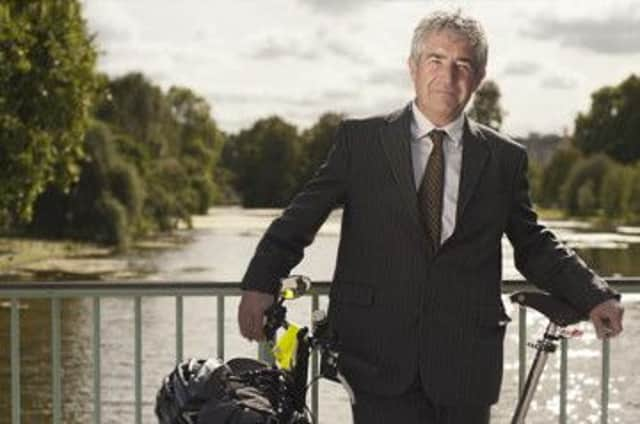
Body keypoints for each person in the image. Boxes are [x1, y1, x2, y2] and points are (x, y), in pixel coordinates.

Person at [237, 9, 624, 424]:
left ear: (478, 77)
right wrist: (261, 282)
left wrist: (593, 292)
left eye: (462, 65)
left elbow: (531, 243)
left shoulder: (504, 159)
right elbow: (301, 219)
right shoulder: (361, 143)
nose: (448, 76)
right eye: (436, 60)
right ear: (413, 67)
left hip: (465, 361)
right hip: (377, 354)